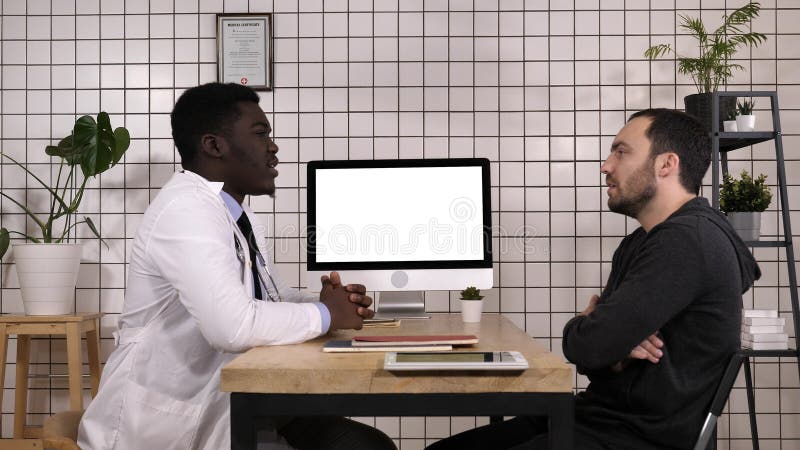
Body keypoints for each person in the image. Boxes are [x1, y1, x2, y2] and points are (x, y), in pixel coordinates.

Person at [78, 83, 396, 450]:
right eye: (261, 134)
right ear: (214, 145)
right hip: (167, 425)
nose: (273, 147)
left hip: (233, 405)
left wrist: (323, 301)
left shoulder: (233, 212)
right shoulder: (187, 210)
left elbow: (265, 296)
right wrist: (325, 314)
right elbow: (233, 326)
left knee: (365, 445)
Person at [426, 108, 761, 450]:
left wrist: (592, 331)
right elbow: (595, 358)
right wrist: (609, 344)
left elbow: (590, 344)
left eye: (621, 152)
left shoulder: (688, 240)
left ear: (666, 164)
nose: (606, 166)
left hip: (637, 436)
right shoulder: (641, 241)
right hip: (597, 415)